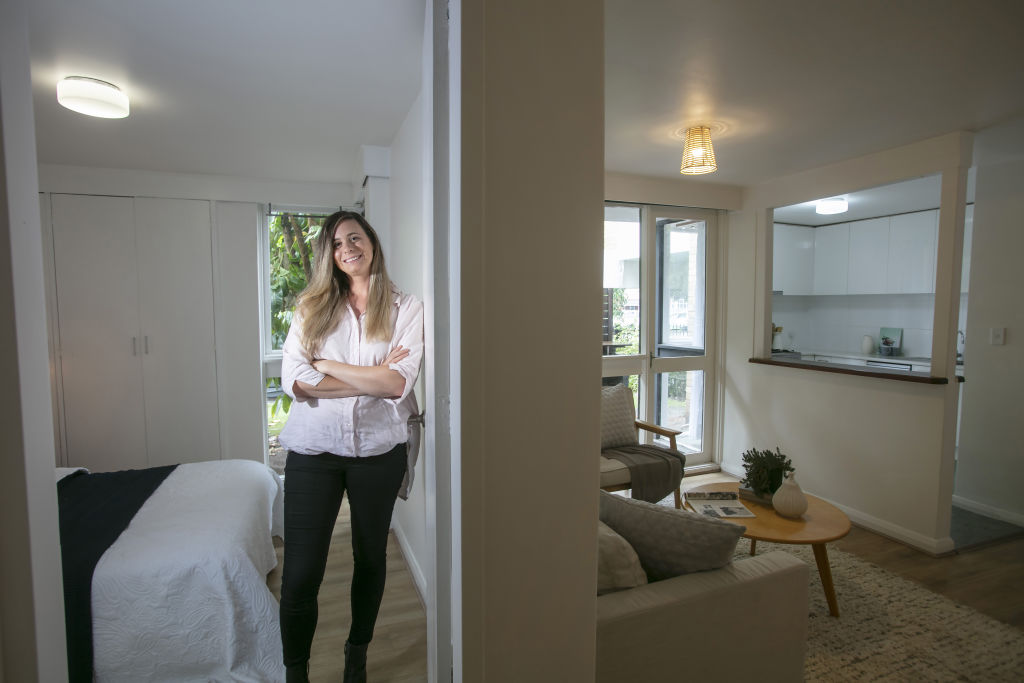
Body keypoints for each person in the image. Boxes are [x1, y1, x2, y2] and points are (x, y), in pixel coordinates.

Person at [277, 210, 423, 683]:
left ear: (372, 242)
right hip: (312, 453)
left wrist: (327, 365)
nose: (347, 248)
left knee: (370, 559)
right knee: (300, 574)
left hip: (380, 454)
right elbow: (295, 382)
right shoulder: (311, 308)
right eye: (337, 244)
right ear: (330, 256)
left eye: (354, 237)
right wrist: (369, 381)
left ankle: (356, 652)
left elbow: (398, 382)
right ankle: (295, 671)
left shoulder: (407, 308)